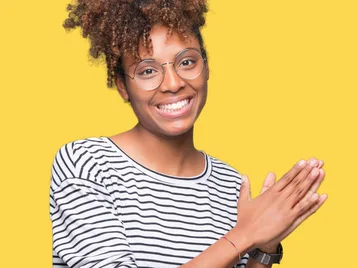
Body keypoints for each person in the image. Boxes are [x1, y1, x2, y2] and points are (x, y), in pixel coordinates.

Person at [49, 0, 328, 267]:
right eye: (147, 70)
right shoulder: (86, 163)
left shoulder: (230, 185)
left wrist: (265, 246)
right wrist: (244, 235)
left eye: (186, 62)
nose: (173, 83)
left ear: (206, 67)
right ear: (122, 85)